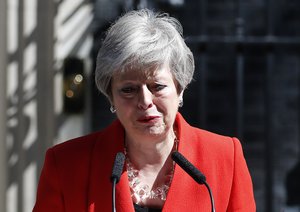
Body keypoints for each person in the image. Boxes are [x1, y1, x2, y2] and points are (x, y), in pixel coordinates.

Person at [33, 9, 256, 212]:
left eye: (157, 86)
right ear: (110, 96)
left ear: (180, 89)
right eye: (128, 90)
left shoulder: (225, 158)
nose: (145, 101)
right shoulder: (66, 164)